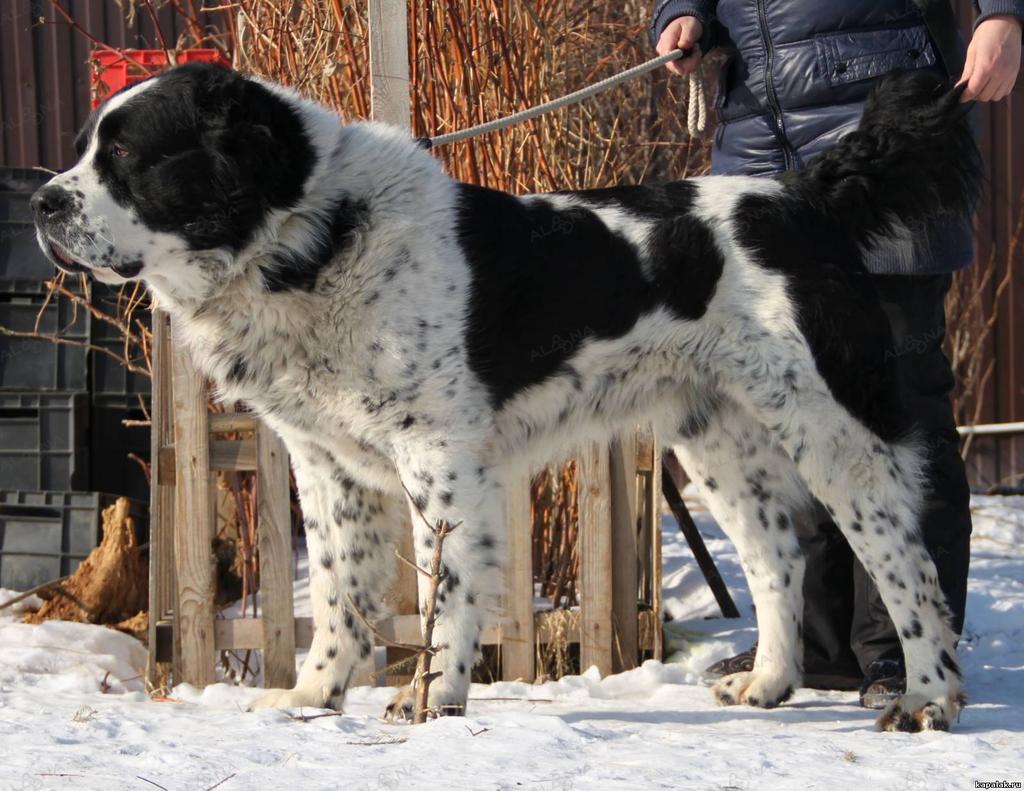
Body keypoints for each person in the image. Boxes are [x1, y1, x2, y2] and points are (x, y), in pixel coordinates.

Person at [650, 0, 1023, 708]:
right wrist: (683, 13)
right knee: (792, 412)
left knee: (896, 408)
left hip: (877, 133)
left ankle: (902, 651)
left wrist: (1003, 16)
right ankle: (822, 641)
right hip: (760, 155)